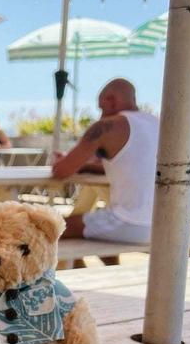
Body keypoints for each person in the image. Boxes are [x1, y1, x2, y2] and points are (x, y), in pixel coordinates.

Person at [52, 78, 159, 244]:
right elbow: (131, 167)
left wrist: (64, 161)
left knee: (52, 227)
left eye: (101, 108)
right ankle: (107, 267)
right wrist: (86, 167)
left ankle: (76, 268)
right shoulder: (157, 124)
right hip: (162, 224)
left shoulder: (106, 126)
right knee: (94, 227)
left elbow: (61, 171)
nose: (100, 115)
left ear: (111, 101)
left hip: (130, 222)